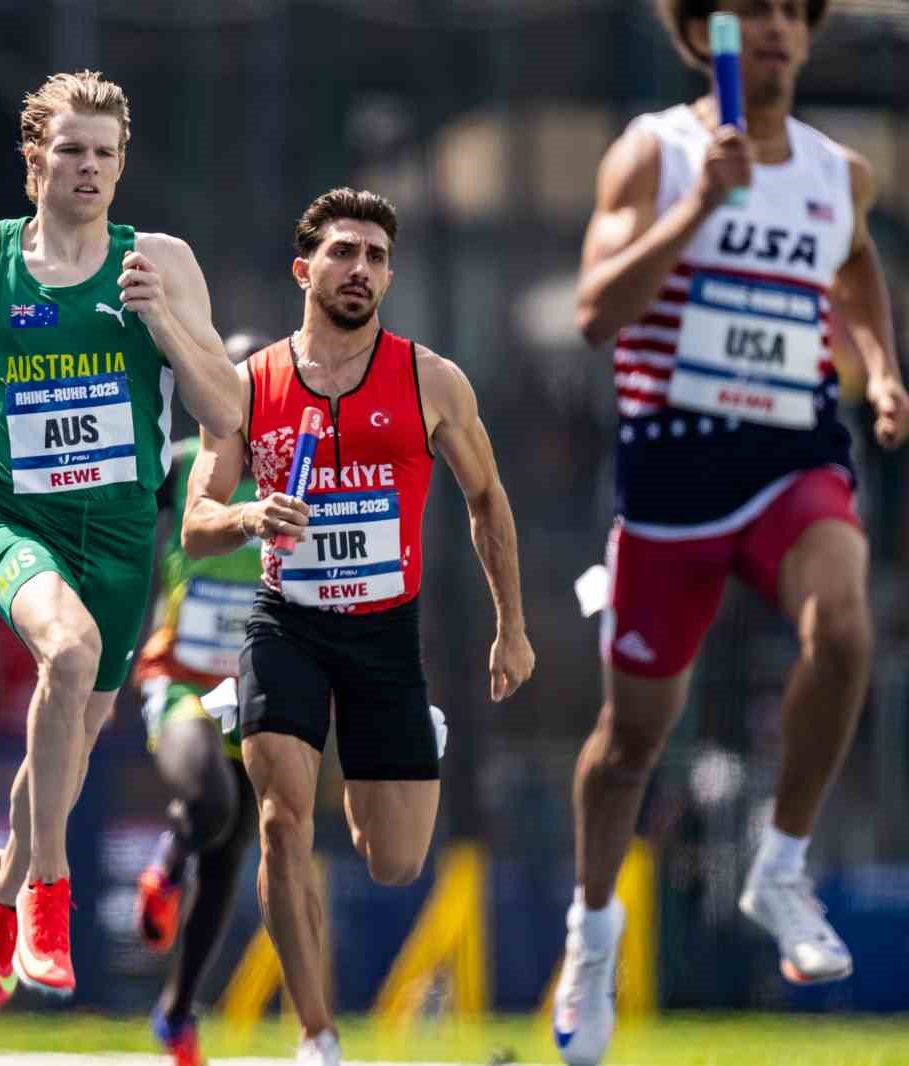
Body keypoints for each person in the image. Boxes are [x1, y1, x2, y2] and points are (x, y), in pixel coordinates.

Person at [553, 3, 908, 1063]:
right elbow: (593, 311)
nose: (769, 32)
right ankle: (591, 932)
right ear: (699, 33)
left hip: (790, 455)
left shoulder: (838, 172)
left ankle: (781, 865)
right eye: (744, 13)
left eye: (787, 14)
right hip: (672, 473)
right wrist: (693, 209)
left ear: (807, 34)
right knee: (628, 746)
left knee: (842, 627)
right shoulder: (654, 153)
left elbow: (851, 267)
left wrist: (881, 368)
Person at [0, 70, 241, 1004]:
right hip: (16, 520)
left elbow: (226, 410)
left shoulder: (166, 264)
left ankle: (3, 879)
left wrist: (166, 325)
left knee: (65, 750)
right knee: (67, 658)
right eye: (72, 150)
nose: (90, 168)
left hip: (120, 536)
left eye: (106, 154)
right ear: (35, 161)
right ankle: (47, 903)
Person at [183, 187, 535, 1065]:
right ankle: (317, 1035)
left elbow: (486, 500)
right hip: (286, 625)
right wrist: (253, 516)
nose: (361, 270)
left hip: (384, 636)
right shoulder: (250, 384)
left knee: (395, 862)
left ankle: (402, 739)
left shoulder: (432, 380)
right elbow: (194, 521)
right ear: (306, 269)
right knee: (282, 820)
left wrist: (513, 628)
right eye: (344, 253)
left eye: (377, 257)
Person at [131, 331, 267, 1065]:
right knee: (209, 809)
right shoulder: (180, 465)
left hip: (258, 691)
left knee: (232, 853)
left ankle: (178, 1015)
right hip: (181, 676)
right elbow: (114, 505)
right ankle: (165, 863)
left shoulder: (293, 476)